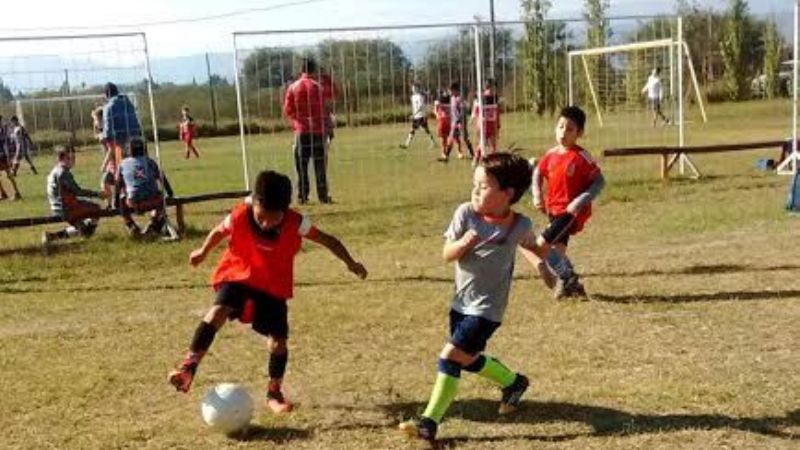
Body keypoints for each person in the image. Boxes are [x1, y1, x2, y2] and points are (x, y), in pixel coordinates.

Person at [398, 152, 583, 443]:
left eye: (483, 186)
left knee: (450, 356)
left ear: (507, 194)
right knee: (467, 358)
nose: (475, 191)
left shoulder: (519, 224)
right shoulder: (466, 214)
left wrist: (548, 269)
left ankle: (429, 422)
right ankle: (514, 382)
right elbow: (447, 254)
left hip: (488, 310)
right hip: (461, 303)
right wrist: (463, 244)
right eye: (474, 184)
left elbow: (533, 246)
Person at [168, 170, 368, 413]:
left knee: (278, 343)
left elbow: (329, 240)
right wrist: (202, 251)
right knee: (218, 310)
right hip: (238, 275)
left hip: (273, 285)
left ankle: (274, 393)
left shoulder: (296, 222)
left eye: (273, 219)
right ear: (254, 202)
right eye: (261, 217)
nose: (265, 223)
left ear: (285, 211)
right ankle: (188, 368)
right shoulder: (240, 214)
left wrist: (351, 263)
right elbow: (219, 231)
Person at [524, 106, 604, 299]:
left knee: (541, 244)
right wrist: (537, 194)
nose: (563, 132)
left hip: (571, 213)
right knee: (556, 253)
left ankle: (567, 279)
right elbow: (538, 172)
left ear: (579, 133)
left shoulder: (581, 157)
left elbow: (599, 181)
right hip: (554, 211)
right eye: (560, 127)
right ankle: (571, 284)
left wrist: (581, 200)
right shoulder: (551, 154)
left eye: (569, 129)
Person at [284, 58, 332, 204]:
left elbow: (288, 109)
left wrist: (298, 120)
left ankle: (303, 195)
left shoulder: (293, 87)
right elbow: (327, 105)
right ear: (313, 70)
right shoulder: (318, 87)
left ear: (301, 70)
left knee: (301, 165)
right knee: (320, 165)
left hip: (302, 130)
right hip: (318, 131)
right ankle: (323, 195)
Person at [114, 138, 177, 239]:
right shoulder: (150, 161)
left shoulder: (122, 163)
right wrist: (170, 193)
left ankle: (131, 225)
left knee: (122, 198)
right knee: (161, 197)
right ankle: (154, 223)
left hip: (133, 201)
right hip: (153, 199)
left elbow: (118, 184)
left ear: (129, 150)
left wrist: (115, 202)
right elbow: (162, 178)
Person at [42, 145, 106, 245]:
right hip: (66, 208)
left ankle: (52, 236)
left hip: (57, 206)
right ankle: (87, 234)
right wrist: (98, 194)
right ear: (63, 158)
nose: (74, 160)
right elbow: (77, 191)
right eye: (71, 157)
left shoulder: (55, 170)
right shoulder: (63, 173)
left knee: (83, 224)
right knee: (96, 209)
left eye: (74, 157)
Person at [101, 82, 142, 182]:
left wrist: (105, 141)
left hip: (121, 144)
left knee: (122, 172)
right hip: (137, 143)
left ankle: (122, 188)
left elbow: (108, 131)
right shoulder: (129, 104)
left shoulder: (108, 107)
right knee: (138, 170)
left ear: (106, 94)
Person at [471, 80, 501, 161]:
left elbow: (497, 112)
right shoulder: (481, 98)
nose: (494, 90)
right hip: (484, 124)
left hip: (491, 123)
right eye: (493, 87)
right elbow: (476, 112)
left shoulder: (495, 98)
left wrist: (498, 125)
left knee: (491, 145)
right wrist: (478, 122)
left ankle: (490, 161)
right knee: (483, 143)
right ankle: (476, 159)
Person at [400, 83, 436, 149]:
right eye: (412, 88)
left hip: (420, 116)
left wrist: (414, 115)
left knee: (420, 130)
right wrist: (414, 115)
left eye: (414, 88)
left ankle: (406, 144)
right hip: (416, 116)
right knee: (420, 130)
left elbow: (420, 107)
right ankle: (406, 144)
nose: (412, 89)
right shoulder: (413, 97)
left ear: (417, 88)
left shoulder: (420, 97)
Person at [0, 116, 21, 200]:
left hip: (3, 156)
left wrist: (8, 157)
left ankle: (17, 193)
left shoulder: (4, 131)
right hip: (2, 155)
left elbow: (6, 144)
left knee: (9, 175)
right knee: (8, 175)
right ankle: (3, 194)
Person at [447, 82, 468, 160]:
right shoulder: (452, 98)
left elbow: (462, 111)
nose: (450, 92)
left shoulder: (460, 98)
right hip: (454, 122)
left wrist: (460, 121)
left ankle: (473, 154)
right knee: (452, 138)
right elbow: (452, 111)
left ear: (455, 90)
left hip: (460, 122)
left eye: (451, 90)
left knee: (465, 138)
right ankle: (446, 155)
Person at [434, 89, 452, 162]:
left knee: (450, 138)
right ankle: (443, 153)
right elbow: (435, 110)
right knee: (443, 138)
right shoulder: (438, 101)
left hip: (448, 120)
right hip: (442, 120)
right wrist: (437, 115)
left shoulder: (450, 100)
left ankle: (447, 153)